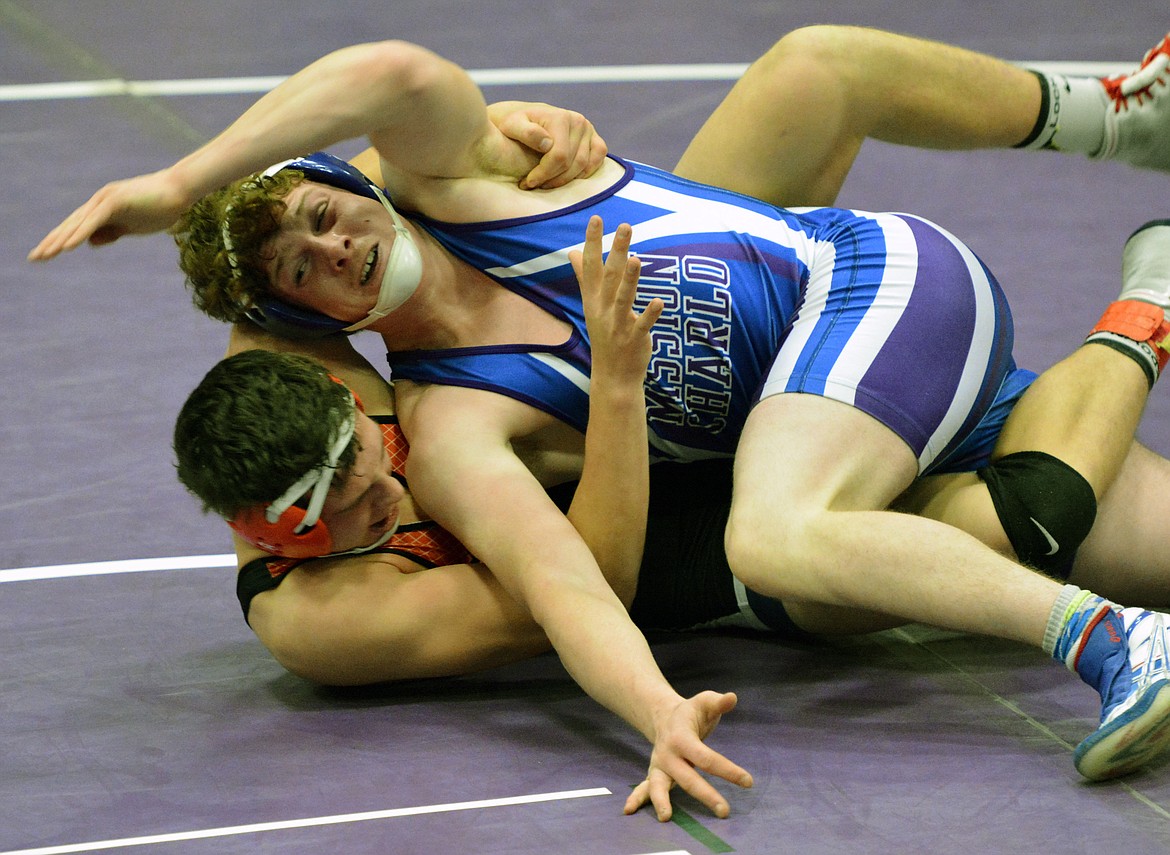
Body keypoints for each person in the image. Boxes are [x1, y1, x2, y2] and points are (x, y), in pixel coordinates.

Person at [27, 26, 1170, 816]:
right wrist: (657, 713)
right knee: (1088, 532)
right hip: (855, 412)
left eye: (325, 215)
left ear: (360, 182)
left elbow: (382, 71)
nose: (333, 248)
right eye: (303, 267)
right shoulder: (453, 418)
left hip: (876, 283)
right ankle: (1154, 291)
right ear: (312, 318)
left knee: (774, 532)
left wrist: (179, 187)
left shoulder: (461, 173)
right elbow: (569, 586)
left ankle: (1113, 642)